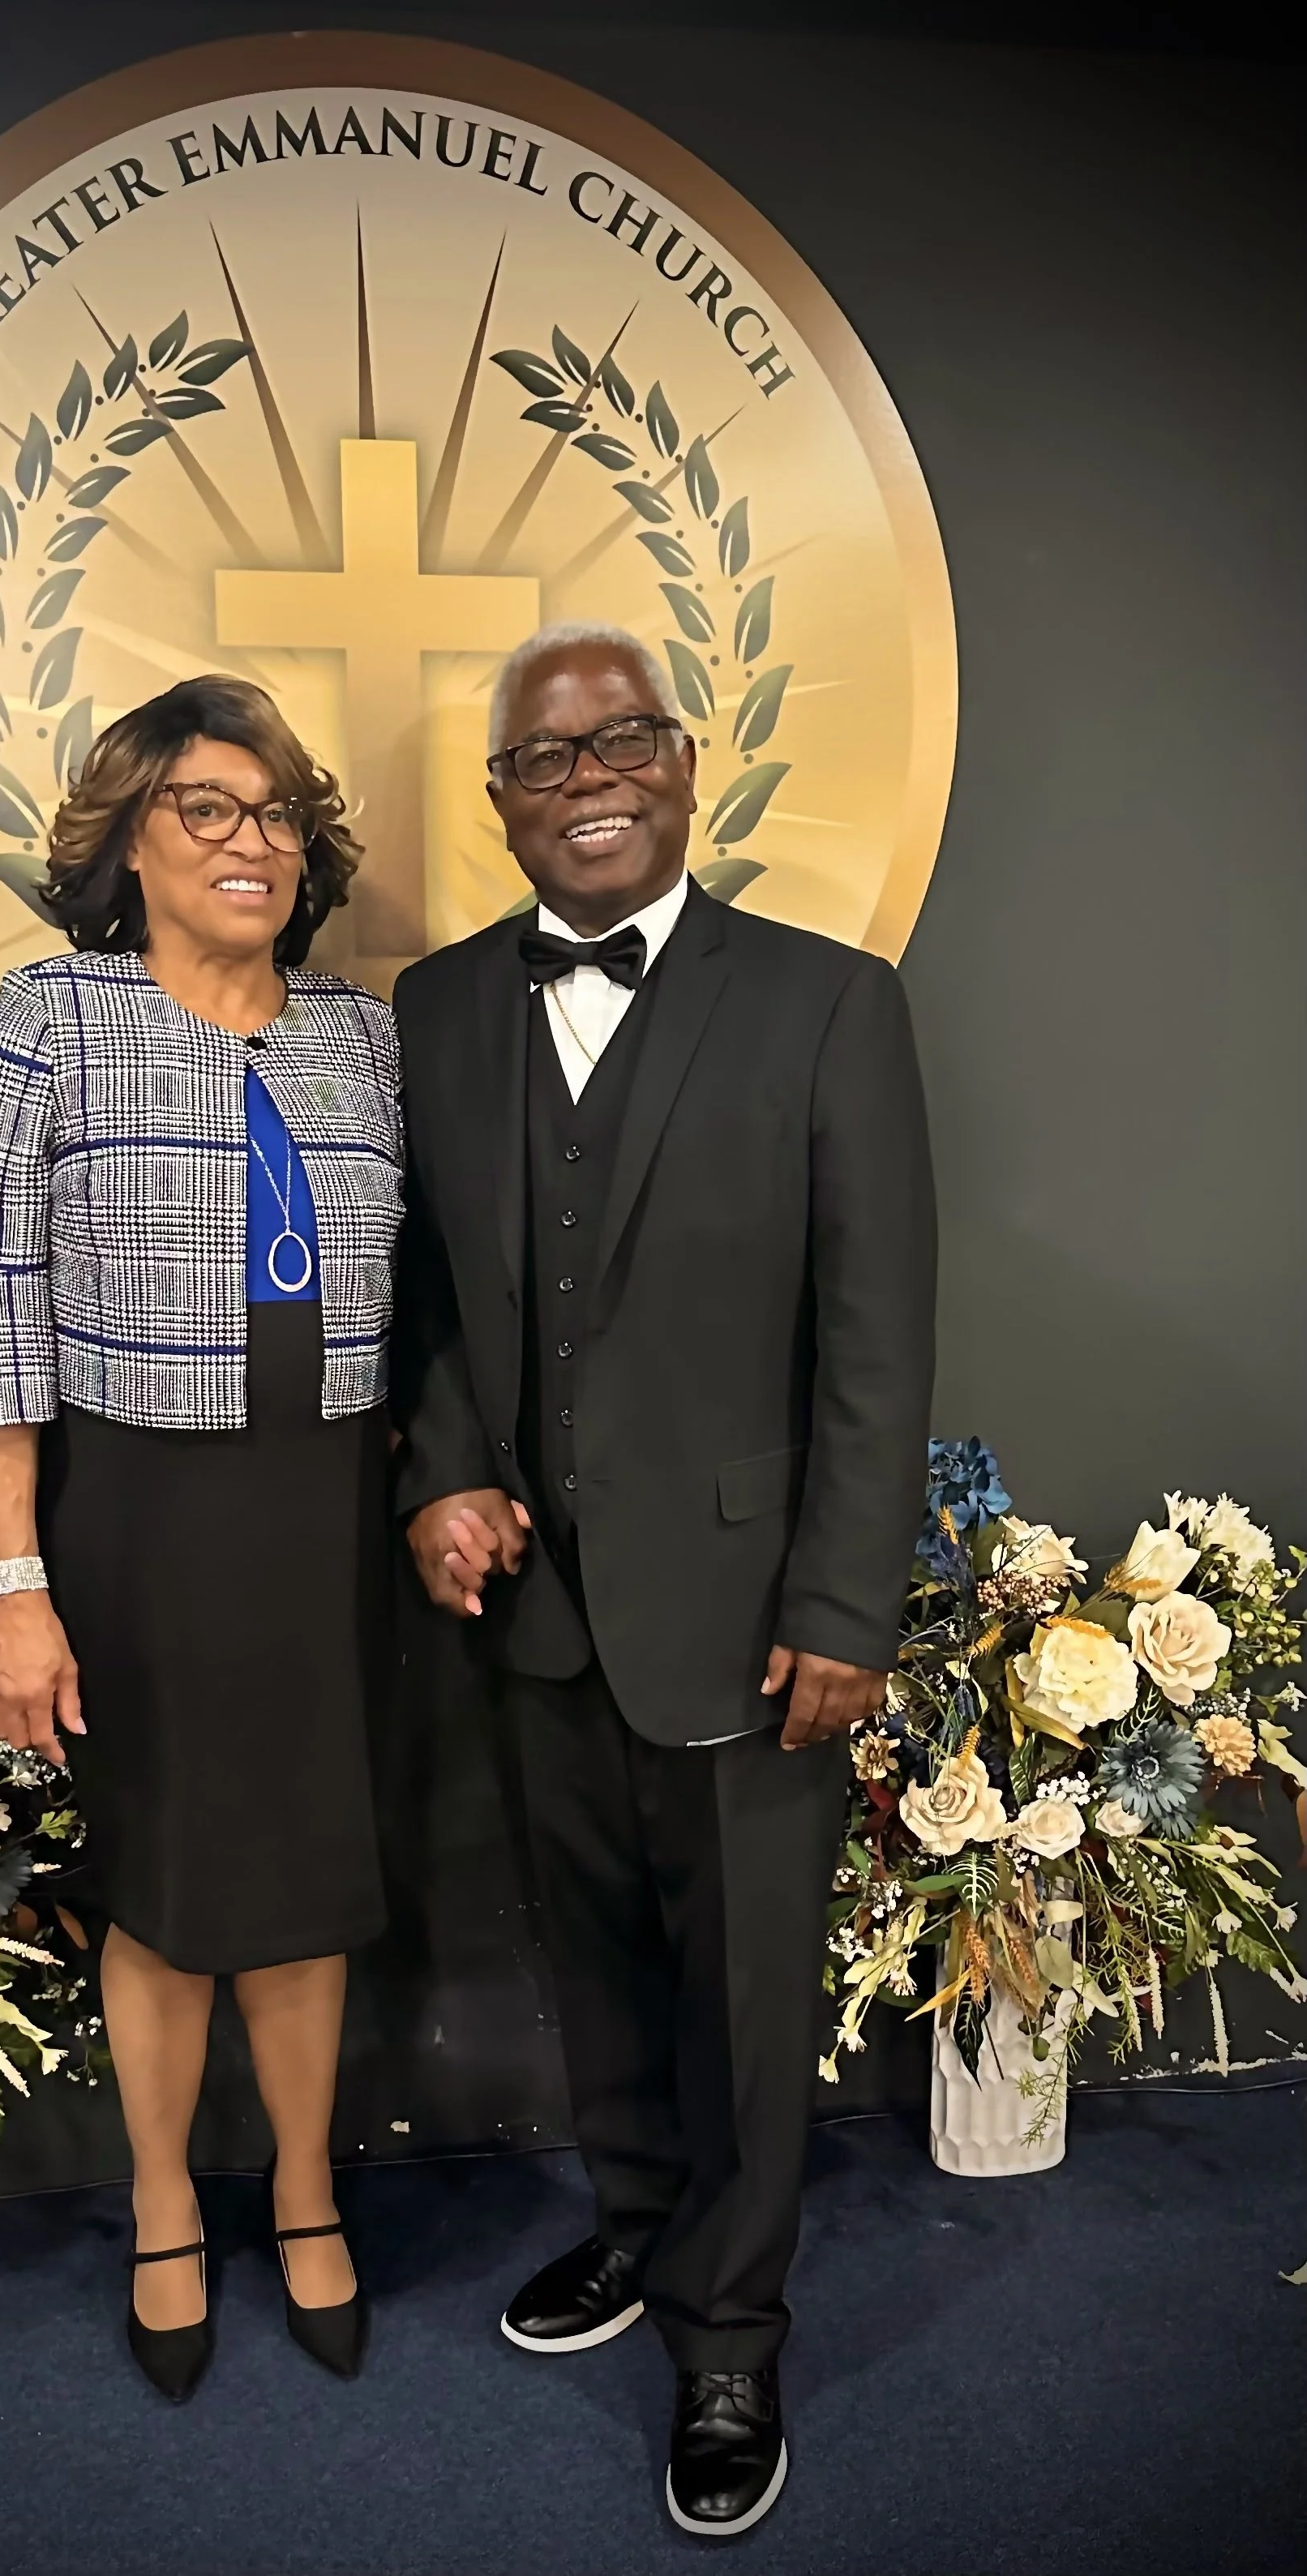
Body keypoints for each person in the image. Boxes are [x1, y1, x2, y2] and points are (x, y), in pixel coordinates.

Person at [392, 620, 935, 2536]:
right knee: (597, 1974)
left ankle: (728, 2332)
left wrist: (847, 1607)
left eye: (623, 741)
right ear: (502, 804)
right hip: (537, 1611)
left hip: (752, 1611)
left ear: (688, 765)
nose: (591, 778)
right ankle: (634, 2230)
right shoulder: (437, 1008)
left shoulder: (827, 1005)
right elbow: (437, 1305)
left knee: (741, 1997)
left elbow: (876, 1344)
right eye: (548, 759)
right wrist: (442, 1479)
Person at [0, 675, 404, 2403]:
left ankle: (309, 2191)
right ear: (128, 834)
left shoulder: (359, 1034)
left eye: (273, 811)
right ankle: (160, 2202)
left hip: (325, 1512)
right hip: (139, 1516)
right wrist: (16, 1592)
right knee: (174, 1886)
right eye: (206, 806)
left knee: (305, 1879)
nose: (247, 840)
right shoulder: (55, 1015)